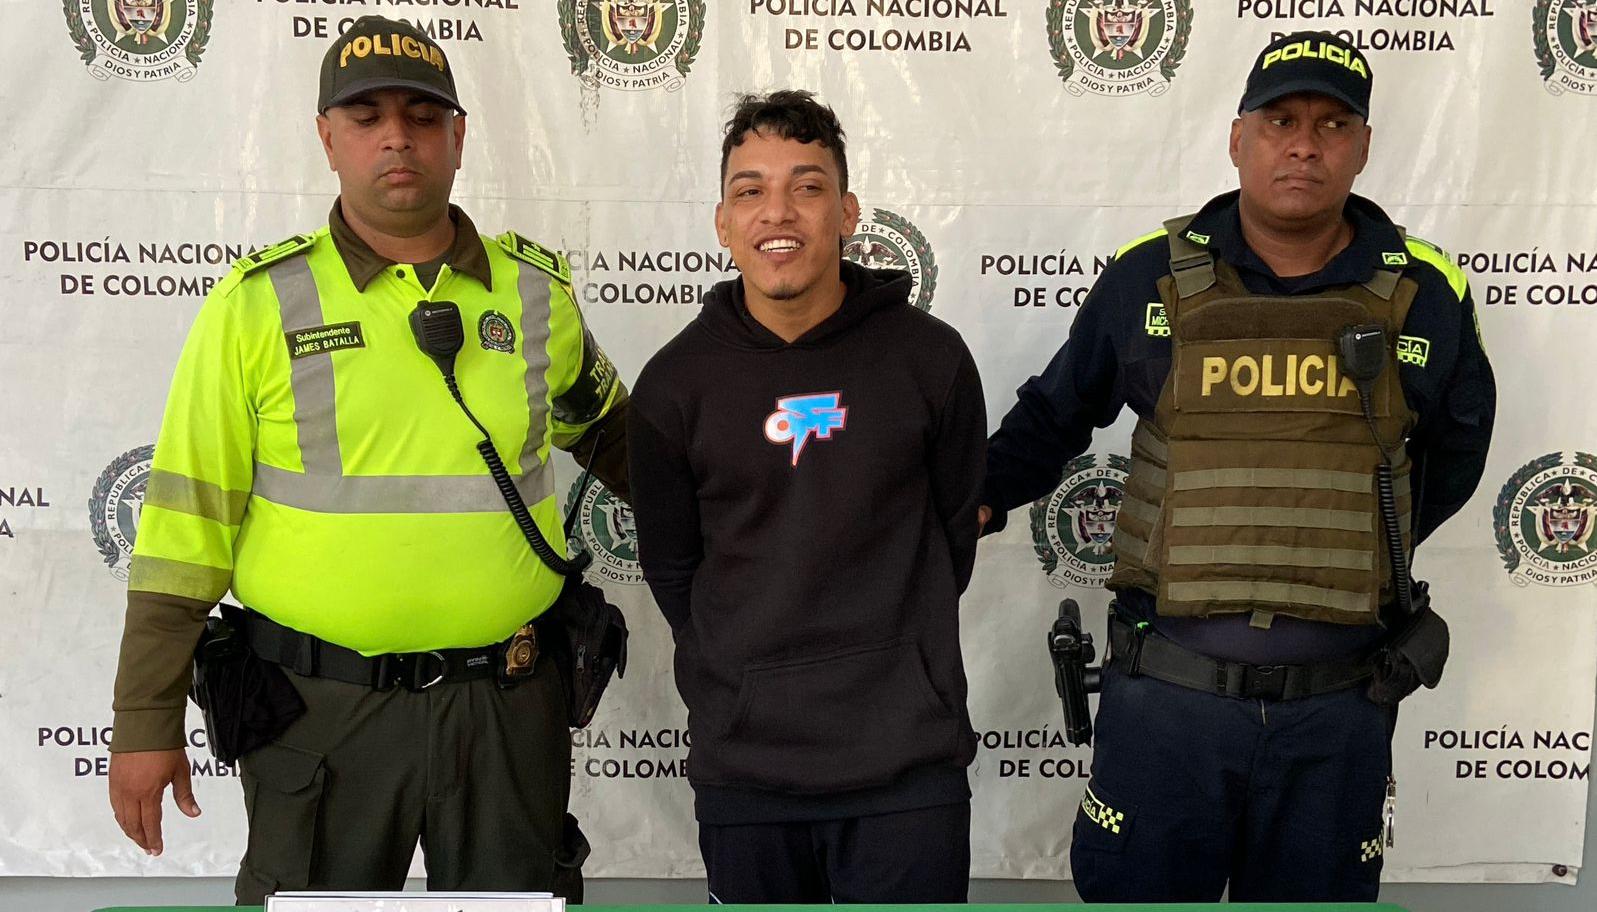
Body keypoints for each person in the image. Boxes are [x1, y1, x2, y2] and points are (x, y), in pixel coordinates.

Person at [105, 15, 628, 903]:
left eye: (423, 116)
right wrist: (143, 719)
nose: (397, 137)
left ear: (458, 137)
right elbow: (184, 528)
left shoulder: (536, 294)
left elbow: (619, 438)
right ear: (327, 137)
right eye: (367, 115)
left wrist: (782, 500)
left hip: (506, 706)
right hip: (319, 711)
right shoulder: (256, 305)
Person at [981, 31, 1495, 903]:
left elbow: (1452, 458)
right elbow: (1053, 417)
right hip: (1167, 706)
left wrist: (1355, 538)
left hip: (1336, 710)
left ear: (1363, 147)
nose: (1304, 143)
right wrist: (970, 497)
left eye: (1333, 124)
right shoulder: (1148, 274)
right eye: (1281, 119)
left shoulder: (1426, 288)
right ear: (1237, 137)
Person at [627, 90, 987, 904]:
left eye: (807, 185)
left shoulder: (931, 361)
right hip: (749, 775)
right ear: (722, 222)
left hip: (907, 772)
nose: (776, 212)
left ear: (848, 210)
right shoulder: (672, 387)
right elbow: (675, 572)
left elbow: (950, 538)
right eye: (749, 190)